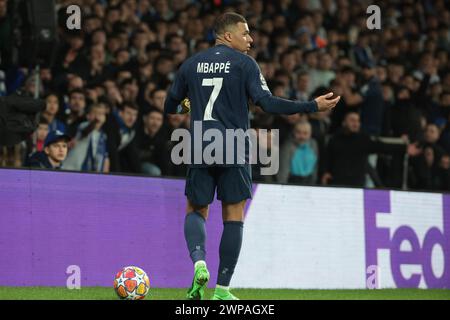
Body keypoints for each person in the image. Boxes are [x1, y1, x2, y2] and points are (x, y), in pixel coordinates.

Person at [163, 12, 340, 300]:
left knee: (196, 210)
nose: (251, 39)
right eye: (245, 33)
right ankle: (222, 289)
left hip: (199, 144)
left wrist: (187, 105)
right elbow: (267, 104)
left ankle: (199, 264)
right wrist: (311, 106)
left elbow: (171, 106)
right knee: (234, 216)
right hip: (233, 144)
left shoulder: (191, 64)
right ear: (228, 35)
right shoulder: (245, 64)